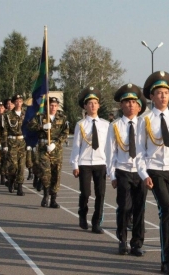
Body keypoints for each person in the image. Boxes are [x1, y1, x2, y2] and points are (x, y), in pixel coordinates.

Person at [136, 71, 169, 275]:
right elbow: (140, 151)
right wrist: (144, 174)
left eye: (166, 92)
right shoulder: (144, 120)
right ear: (151, 96)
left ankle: (167, 255)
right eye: (159, 92)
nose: (163, 96)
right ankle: (167, 260)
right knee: (166, 209)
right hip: (155, 170)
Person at [106, 83, 147, 256]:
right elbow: (110, 151)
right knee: (124, 207)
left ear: (139, 106)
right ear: (121, 105)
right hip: (123, 170)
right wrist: (112, 174)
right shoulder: (115, 126)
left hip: (141, 172)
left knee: (140, 208)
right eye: (127, 102)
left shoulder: (146, 125)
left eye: (133, 102)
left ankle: (137, 243)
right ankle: (122, 240)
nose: (130, 105)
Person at [70, 87, 109, 234]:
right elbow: (76, 146)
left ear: (99, 105)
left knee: (101, 194)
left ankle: (96, 222)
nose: (92, 106)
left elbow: (108, 148)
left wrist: (110, 165)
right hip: (85, 162)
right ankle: (82, 213)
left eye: (95, 103)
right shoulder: (81, 125)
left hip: (101, 162)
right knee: (85, 193)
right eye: (89, 103)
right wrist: (75, 164)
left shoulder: (106, 125)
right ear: (85, 106)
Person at [28, 97, 69, 208]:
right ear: (47, 106)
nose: (53, 108)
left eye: (55, 105)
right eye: (51, 105)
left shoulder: (62, 117)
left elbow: (65, 133)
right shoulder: (40, 117)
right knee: (46, 173)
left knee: (56, 173)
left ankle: (53, 199)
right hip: (43, 148)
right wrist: (42, 127)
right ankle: (46, 195)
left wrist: (56, 143)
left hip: (56, 148)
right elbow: (30, 126)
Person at [2, 94, 27, 196]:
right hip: (12, 142)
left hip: (22, 142)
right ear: (13, 102)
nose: (18, 103)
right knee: (13, 166)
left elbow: (30, 129)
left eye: (20, 101)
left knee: (21, 166)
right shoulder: (8, 115)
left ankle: (20, 187)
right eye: (16, 101)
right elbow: (5, 131)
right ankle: (11, 181)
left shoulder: (26, 114)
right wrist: (5, 144)